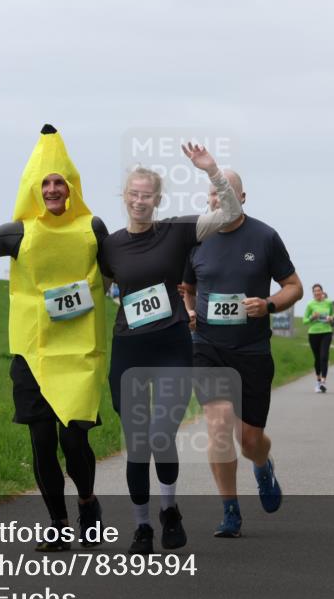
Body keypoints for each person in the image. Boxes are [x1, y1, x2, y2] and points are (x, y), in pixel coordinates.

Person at [0, 124, 108, 552]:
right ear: (34, 190)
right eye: (45, 183)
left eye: (60, 182)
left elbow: (118, 271)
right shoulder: (18, 231)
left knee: (74, 440)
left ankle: (88, 502)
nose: (53, 189)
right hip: (33, 352)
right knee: (41, 440)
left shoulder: (93, 227)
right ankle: (56, 522)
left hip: (79, 351)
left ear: (72, 187)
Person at [101, 144, 242, 554]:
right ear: (125, 197)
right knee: (137, 440)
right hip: (128, 347)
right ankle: (142, 526)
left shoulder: (178, 230)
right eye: (134, 194)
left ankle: (169, 510)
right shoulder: (110, 245)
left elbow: (230, 214)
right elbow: (102, 282)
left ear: (157, 200)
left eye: (147, 195)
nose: (140, 200)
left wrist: (212, 171)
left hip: (171, 347)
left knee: (162, 434)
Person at [182, 170, 303, 538]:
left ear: (242, 197)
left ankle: (263, 465)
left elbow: (293, 287)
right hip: (208, 348)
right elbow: (185, 288)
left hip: (251, 350)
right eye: (213, 193)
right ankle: (230, 510)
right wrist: (187, 310)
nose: (219, 197)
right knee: (218, 428)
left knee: (249, 440)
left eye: (226, 191)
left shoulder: (265, 237)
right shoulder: (198, 239)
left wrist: (267, 304)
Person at [302, 284, 334, 393]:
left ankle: (323, 382)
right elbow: (304, 320)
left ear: (322, 291)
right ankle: (318, 380)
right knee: (317, 358)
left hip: (326, 331)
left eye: (319, 290)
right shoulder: (310, 305)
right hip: (313, 333)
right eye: (315, 291)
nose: (317, 292)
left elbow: (333, 315)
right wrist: (312, 317)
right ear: (313, 293)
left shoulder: (329, 303)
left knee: (324, 356)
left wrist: (331, 318)